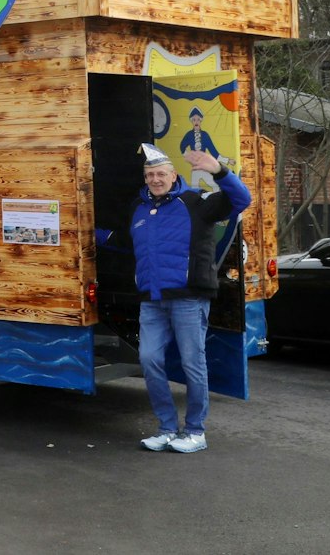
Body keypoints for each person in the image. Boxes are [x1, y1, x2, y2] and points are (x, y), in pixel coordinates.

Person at [118, 144, 250, 454]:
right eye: (150, 175)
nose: (155, 179)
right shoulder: (138, 208)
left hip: (189, 298)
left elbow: (242, 200)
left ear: (173, 175)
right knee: (149, 359)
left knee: (193, 363)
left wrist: (219, 171)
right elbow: (125, 242)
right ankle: (166, 428)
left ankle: (194, 431)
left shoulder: (196, 202)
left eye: (160, 174)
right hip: (151, 300)